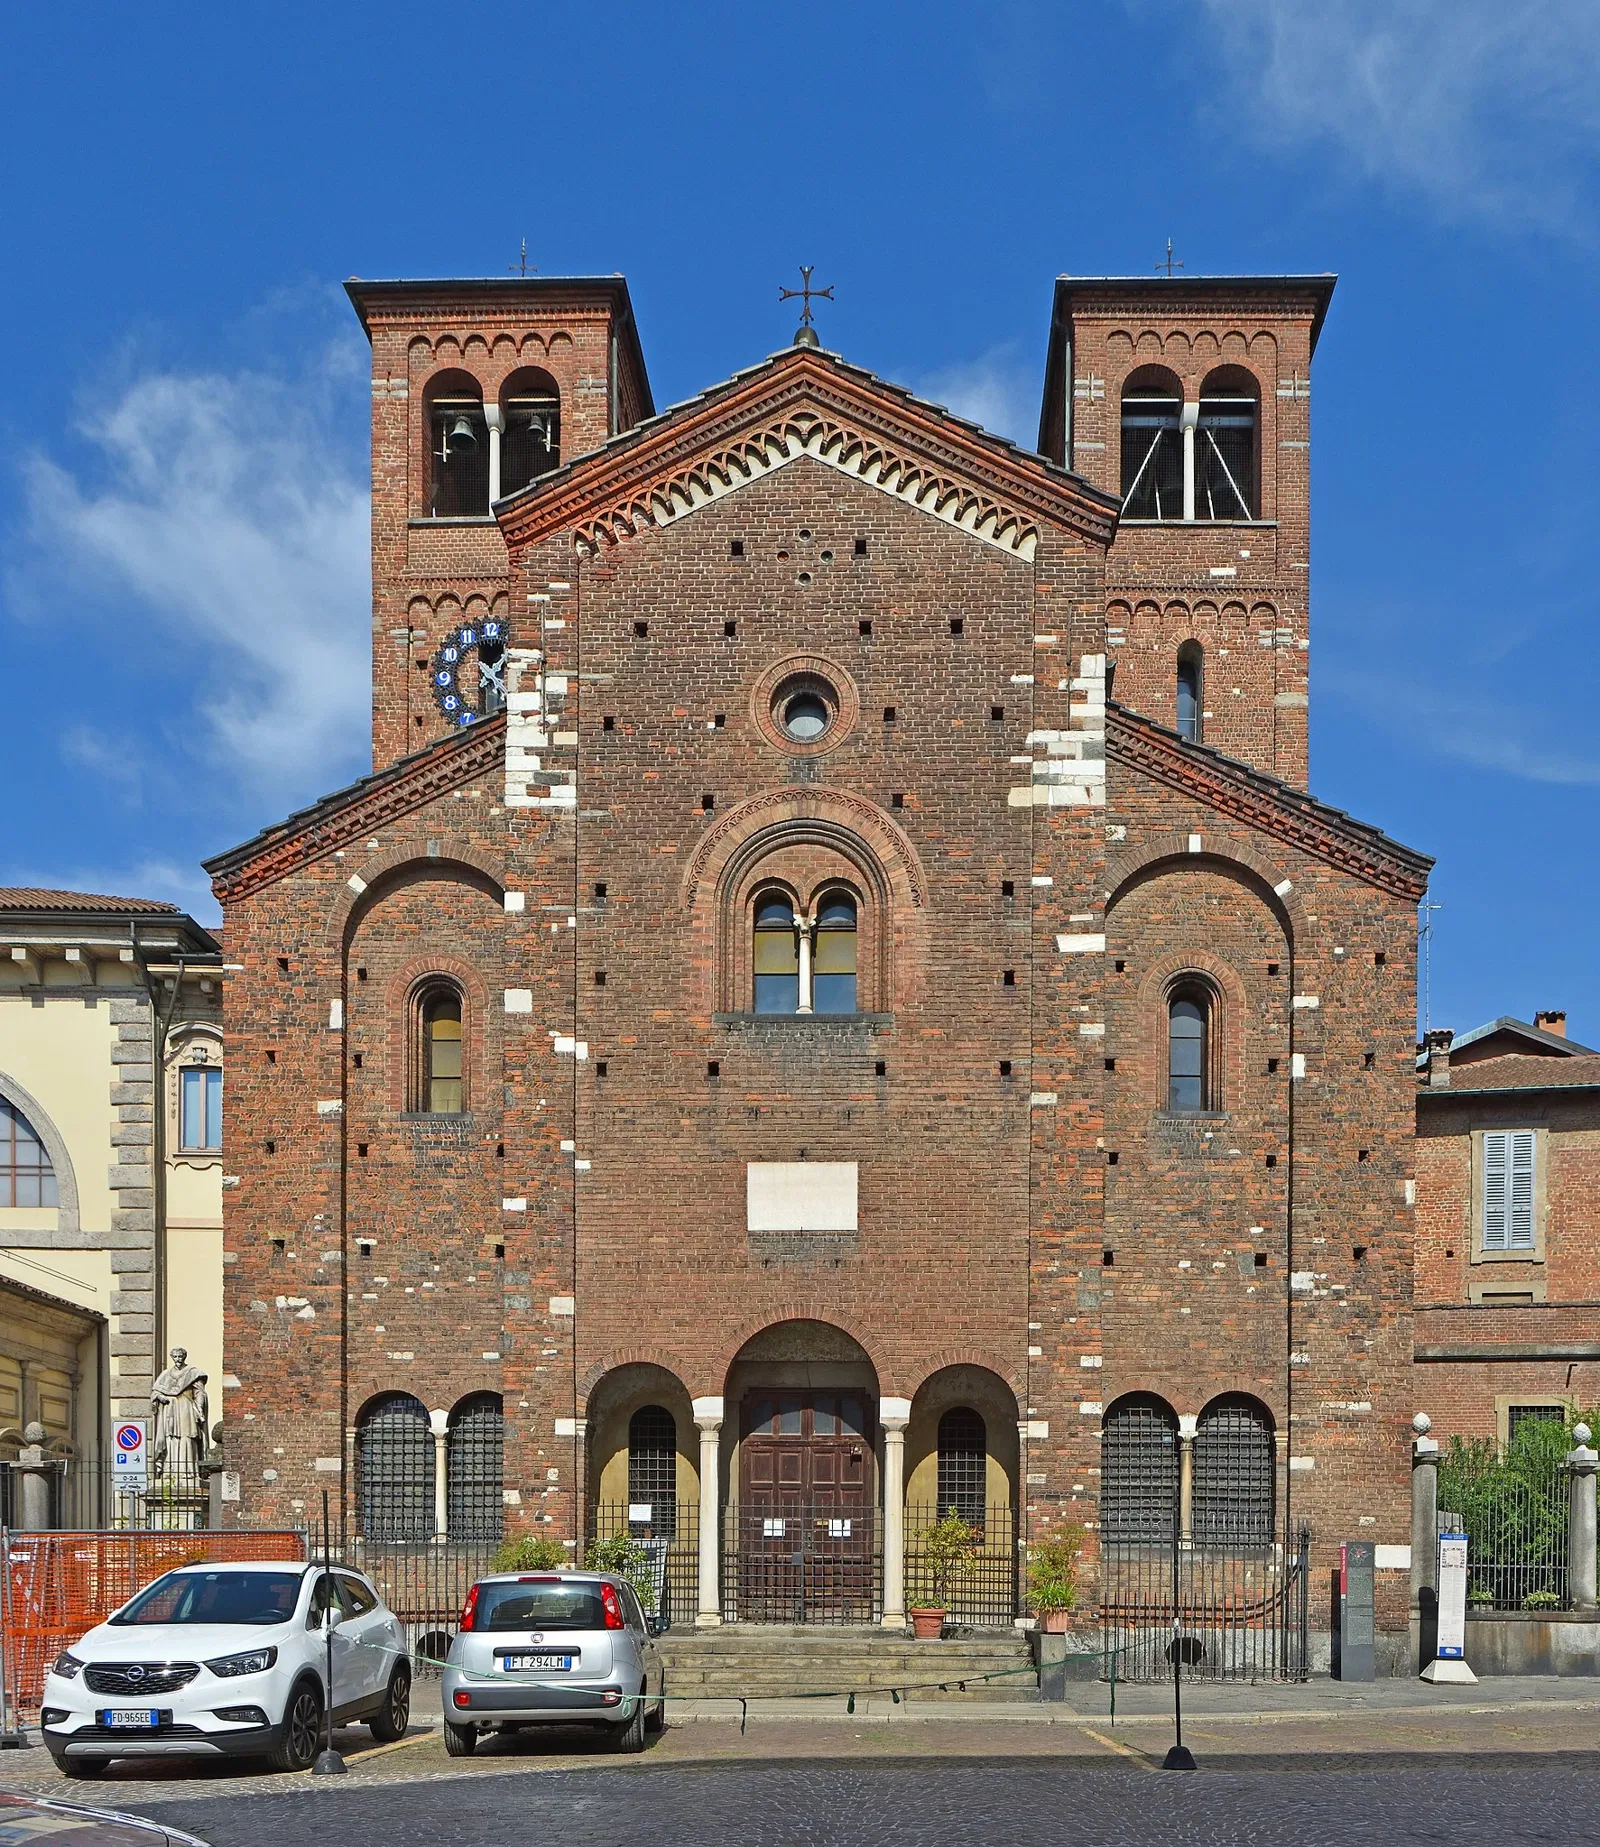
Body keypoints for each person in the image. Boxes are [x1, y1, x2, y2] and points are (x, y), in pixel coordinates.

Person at [150, 1346, 209, 1482]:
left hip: (185, 1408)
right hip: (169, 1409)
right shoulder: (166, 1374)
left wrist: (199, 1407)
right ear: (172, 1358)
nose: (178, 1359)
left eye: (180, 1357)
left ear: (184, 1357)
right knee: (170, 1439)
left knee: (187, 1438)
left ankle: (188, 1472)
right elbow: (155, 1392)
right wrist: (160, 1397)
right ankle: (169, 1472)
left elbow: (200, 1392)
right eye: (175, 1357)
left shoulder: (193, 1373)